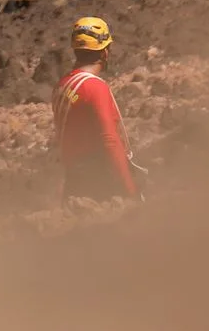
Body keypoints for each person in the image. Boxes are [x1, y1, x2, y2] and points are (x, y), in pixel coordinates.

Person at [51, 17, 143, 202]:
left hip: (74, 177)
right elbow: (110, 140)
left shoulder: (62, 86)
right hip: (99, 181)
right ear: (105, 53)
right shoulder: (95, 87)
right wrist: (130, 190)